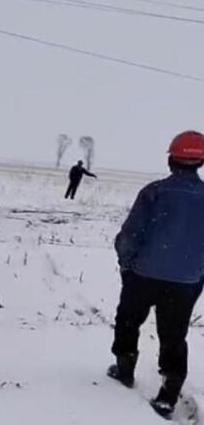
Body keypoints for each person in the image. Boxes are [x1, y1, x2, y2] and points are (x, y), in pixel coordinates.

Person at [108, 131, 204, 419]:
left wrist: (127, 264)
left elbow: (129, 235)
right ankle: (168, 395)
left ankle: (125, 368)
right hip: (186, 280)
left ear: (171, 159)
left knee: (128, 319)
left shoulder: (154, 192)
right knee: (175, 334)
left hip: (144, 274)